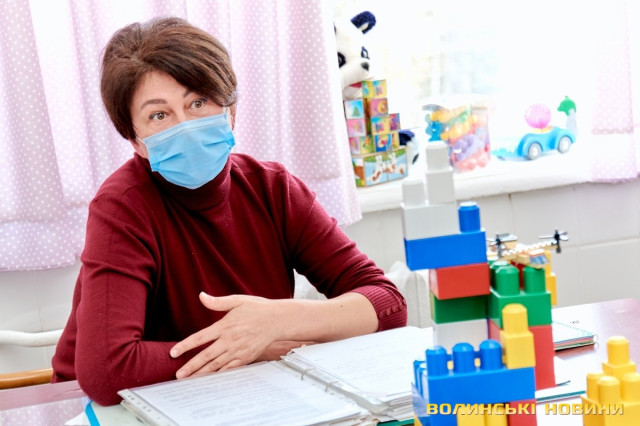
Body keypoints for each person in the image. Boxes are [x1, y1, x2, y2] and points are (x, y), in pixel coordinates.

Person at [51, 17, 407, 406]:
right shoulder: (122, 207)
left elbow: (387, 304)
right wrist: (249, 347)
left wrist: (279, 322)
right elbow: (107, 371)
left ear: (231, 109)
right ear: (134, 140)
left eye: (198, 102)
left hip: (234, 395)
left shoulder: (273, 189)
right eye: (159, 115)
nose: (185, 125)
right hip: (101, 407)